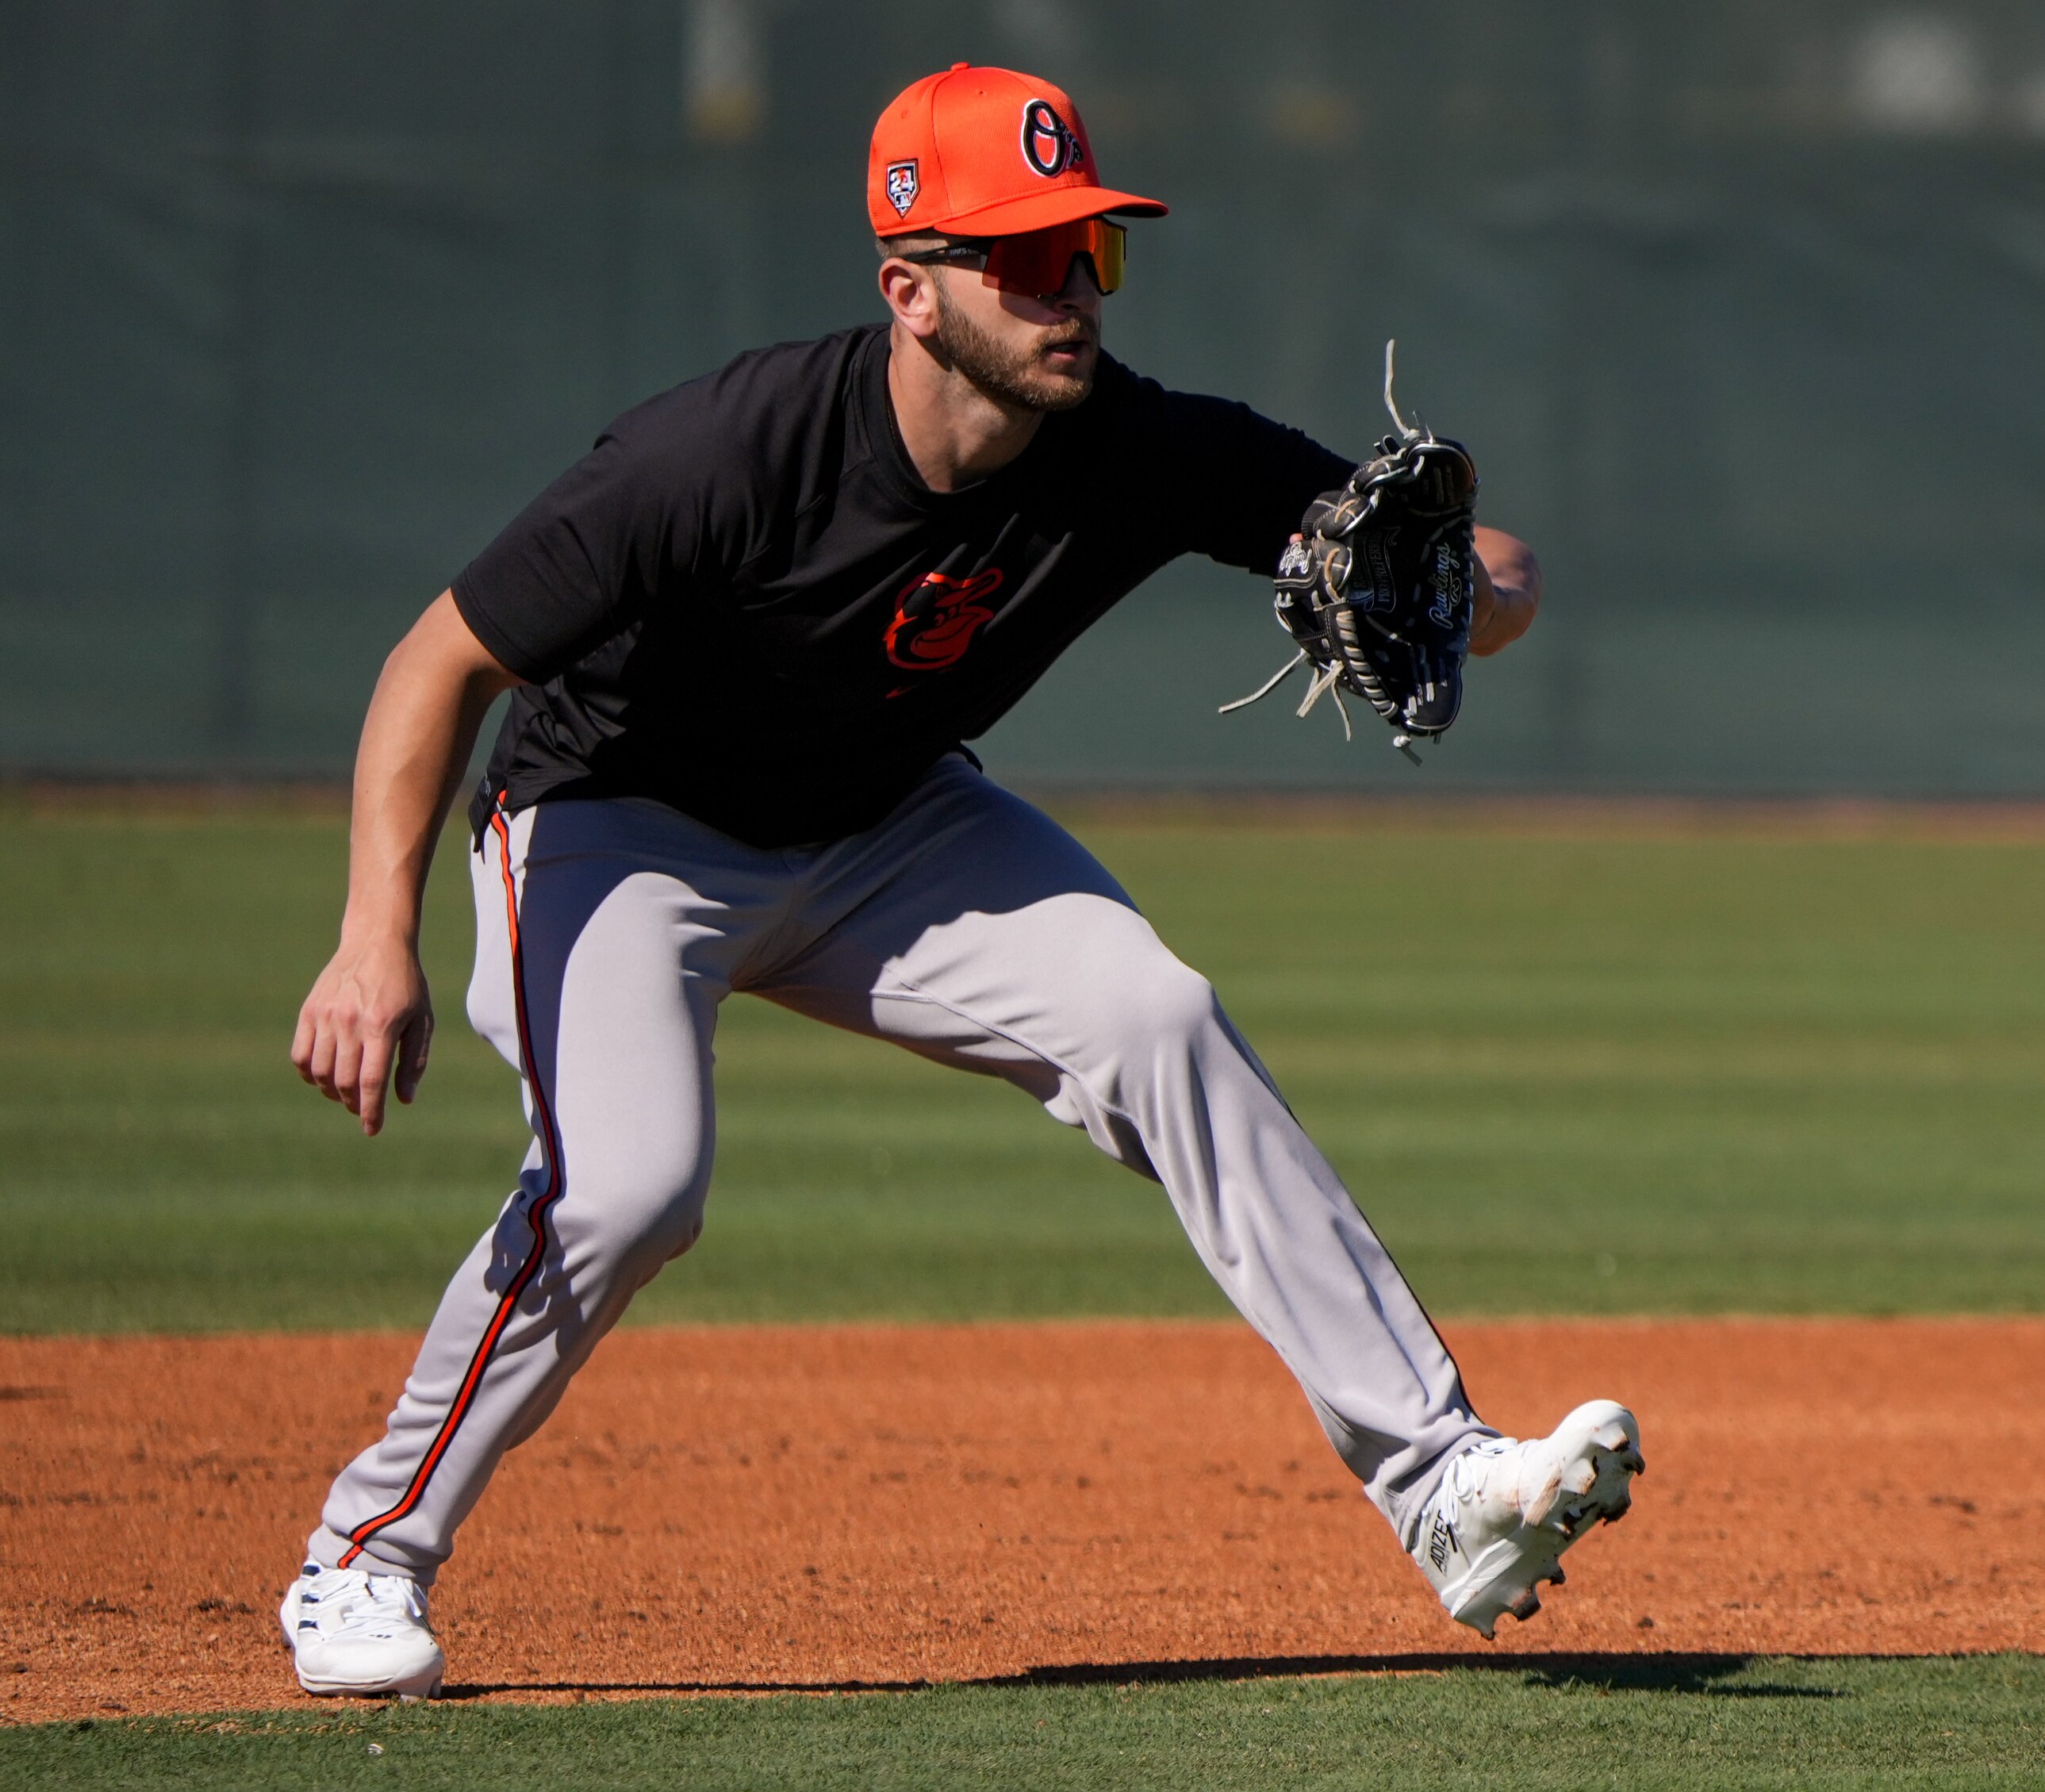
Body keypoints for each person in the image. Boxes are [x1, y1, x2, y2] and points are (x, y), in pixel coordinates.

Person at [274, 63, 1643, 1701]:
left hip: (882, 821)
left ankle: (1441, 1485)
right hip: (616, 823)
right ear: (910, 292)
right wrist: (373, 941)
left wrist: (1485, 575)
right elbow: (435, 664)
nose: (1071, 290)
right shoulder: (722, 451)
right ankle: (364, 1555)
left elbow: (1455, 556)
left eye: (1090, 250)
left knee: (1159, 1012)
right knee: (633, 1183)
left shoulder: (1130, 442)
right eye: (1028, 257)